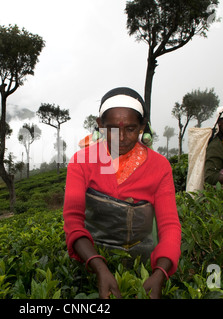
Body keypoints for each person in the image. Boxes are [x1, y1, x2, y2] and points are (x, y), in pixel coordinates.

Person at [63, 87, 182, 299]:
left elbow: (169, 225)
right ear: (100, 124)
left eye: (130, 129)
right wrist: (98, 266)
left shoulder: (160, 166)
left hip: (143, 265)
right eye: (111, 129)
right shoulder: (81, 161)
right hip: (91, 259)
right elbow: (73, 221)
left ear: (142, 127)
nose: (121, 138)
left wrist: (160, 272)